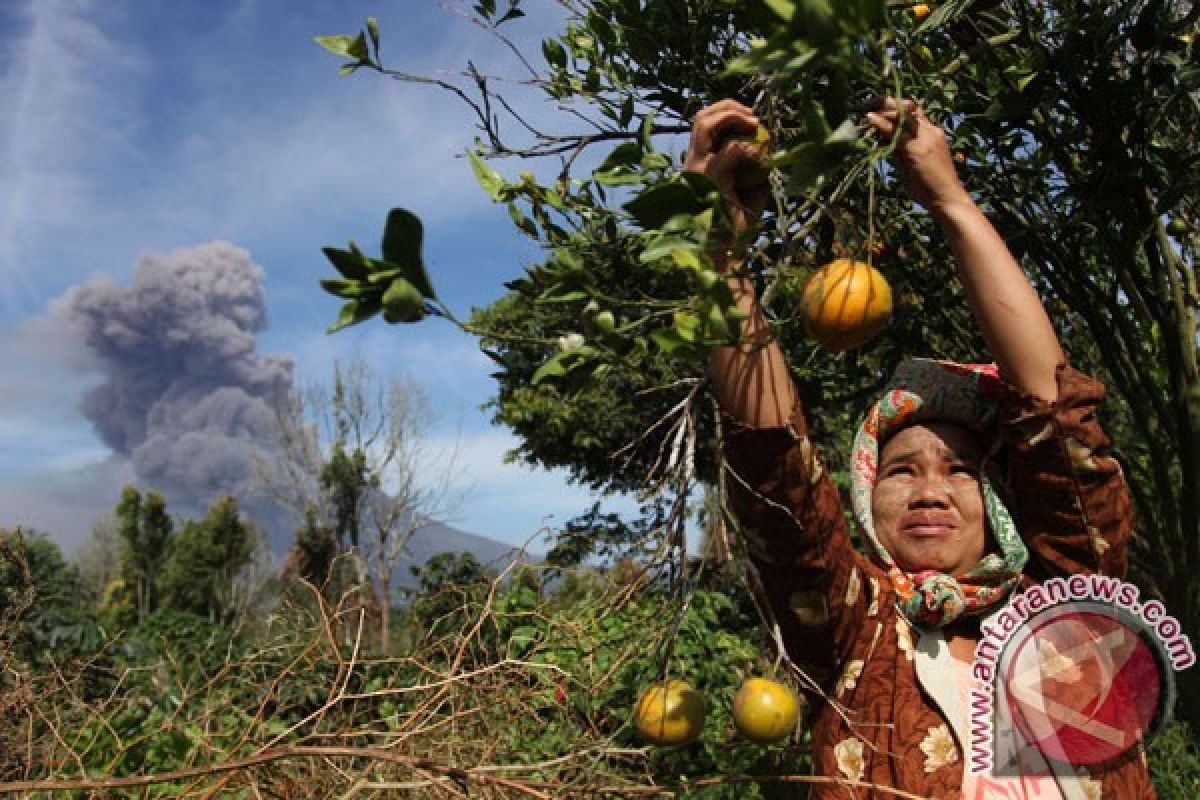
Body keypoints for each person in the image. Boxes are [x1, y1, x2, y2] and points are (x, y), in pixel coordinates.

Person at [688, 98, 1156, 797]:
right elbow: (775, 469)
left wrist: (948, 198)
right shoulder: (854, 627)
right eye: (901, 470)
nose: (931, 489)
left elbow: (1058, 419)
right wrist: (716, 254)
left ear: (996, 501)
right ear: (866, 497)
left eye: (960, 471)